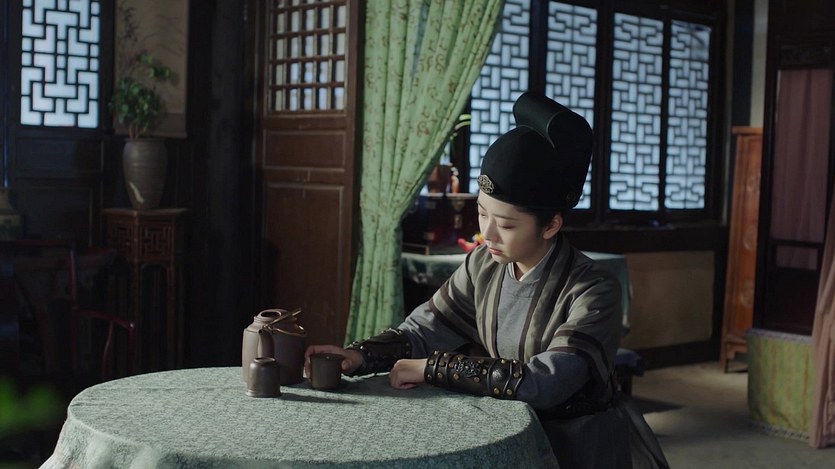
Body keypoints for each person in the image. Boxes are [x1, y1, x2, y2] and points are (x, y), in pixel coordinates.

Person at [304, 92, 668, 469]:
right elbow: (427, 329)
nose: (488, 234)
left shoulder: (593, 289)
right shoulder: (483, 263)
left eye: (506, 224)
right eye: (482, 214)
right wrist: (360, 356)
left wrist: (433, 368)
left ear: (551, 225)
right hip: (506, 432)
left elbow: (546, 383)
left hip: (576, 446)